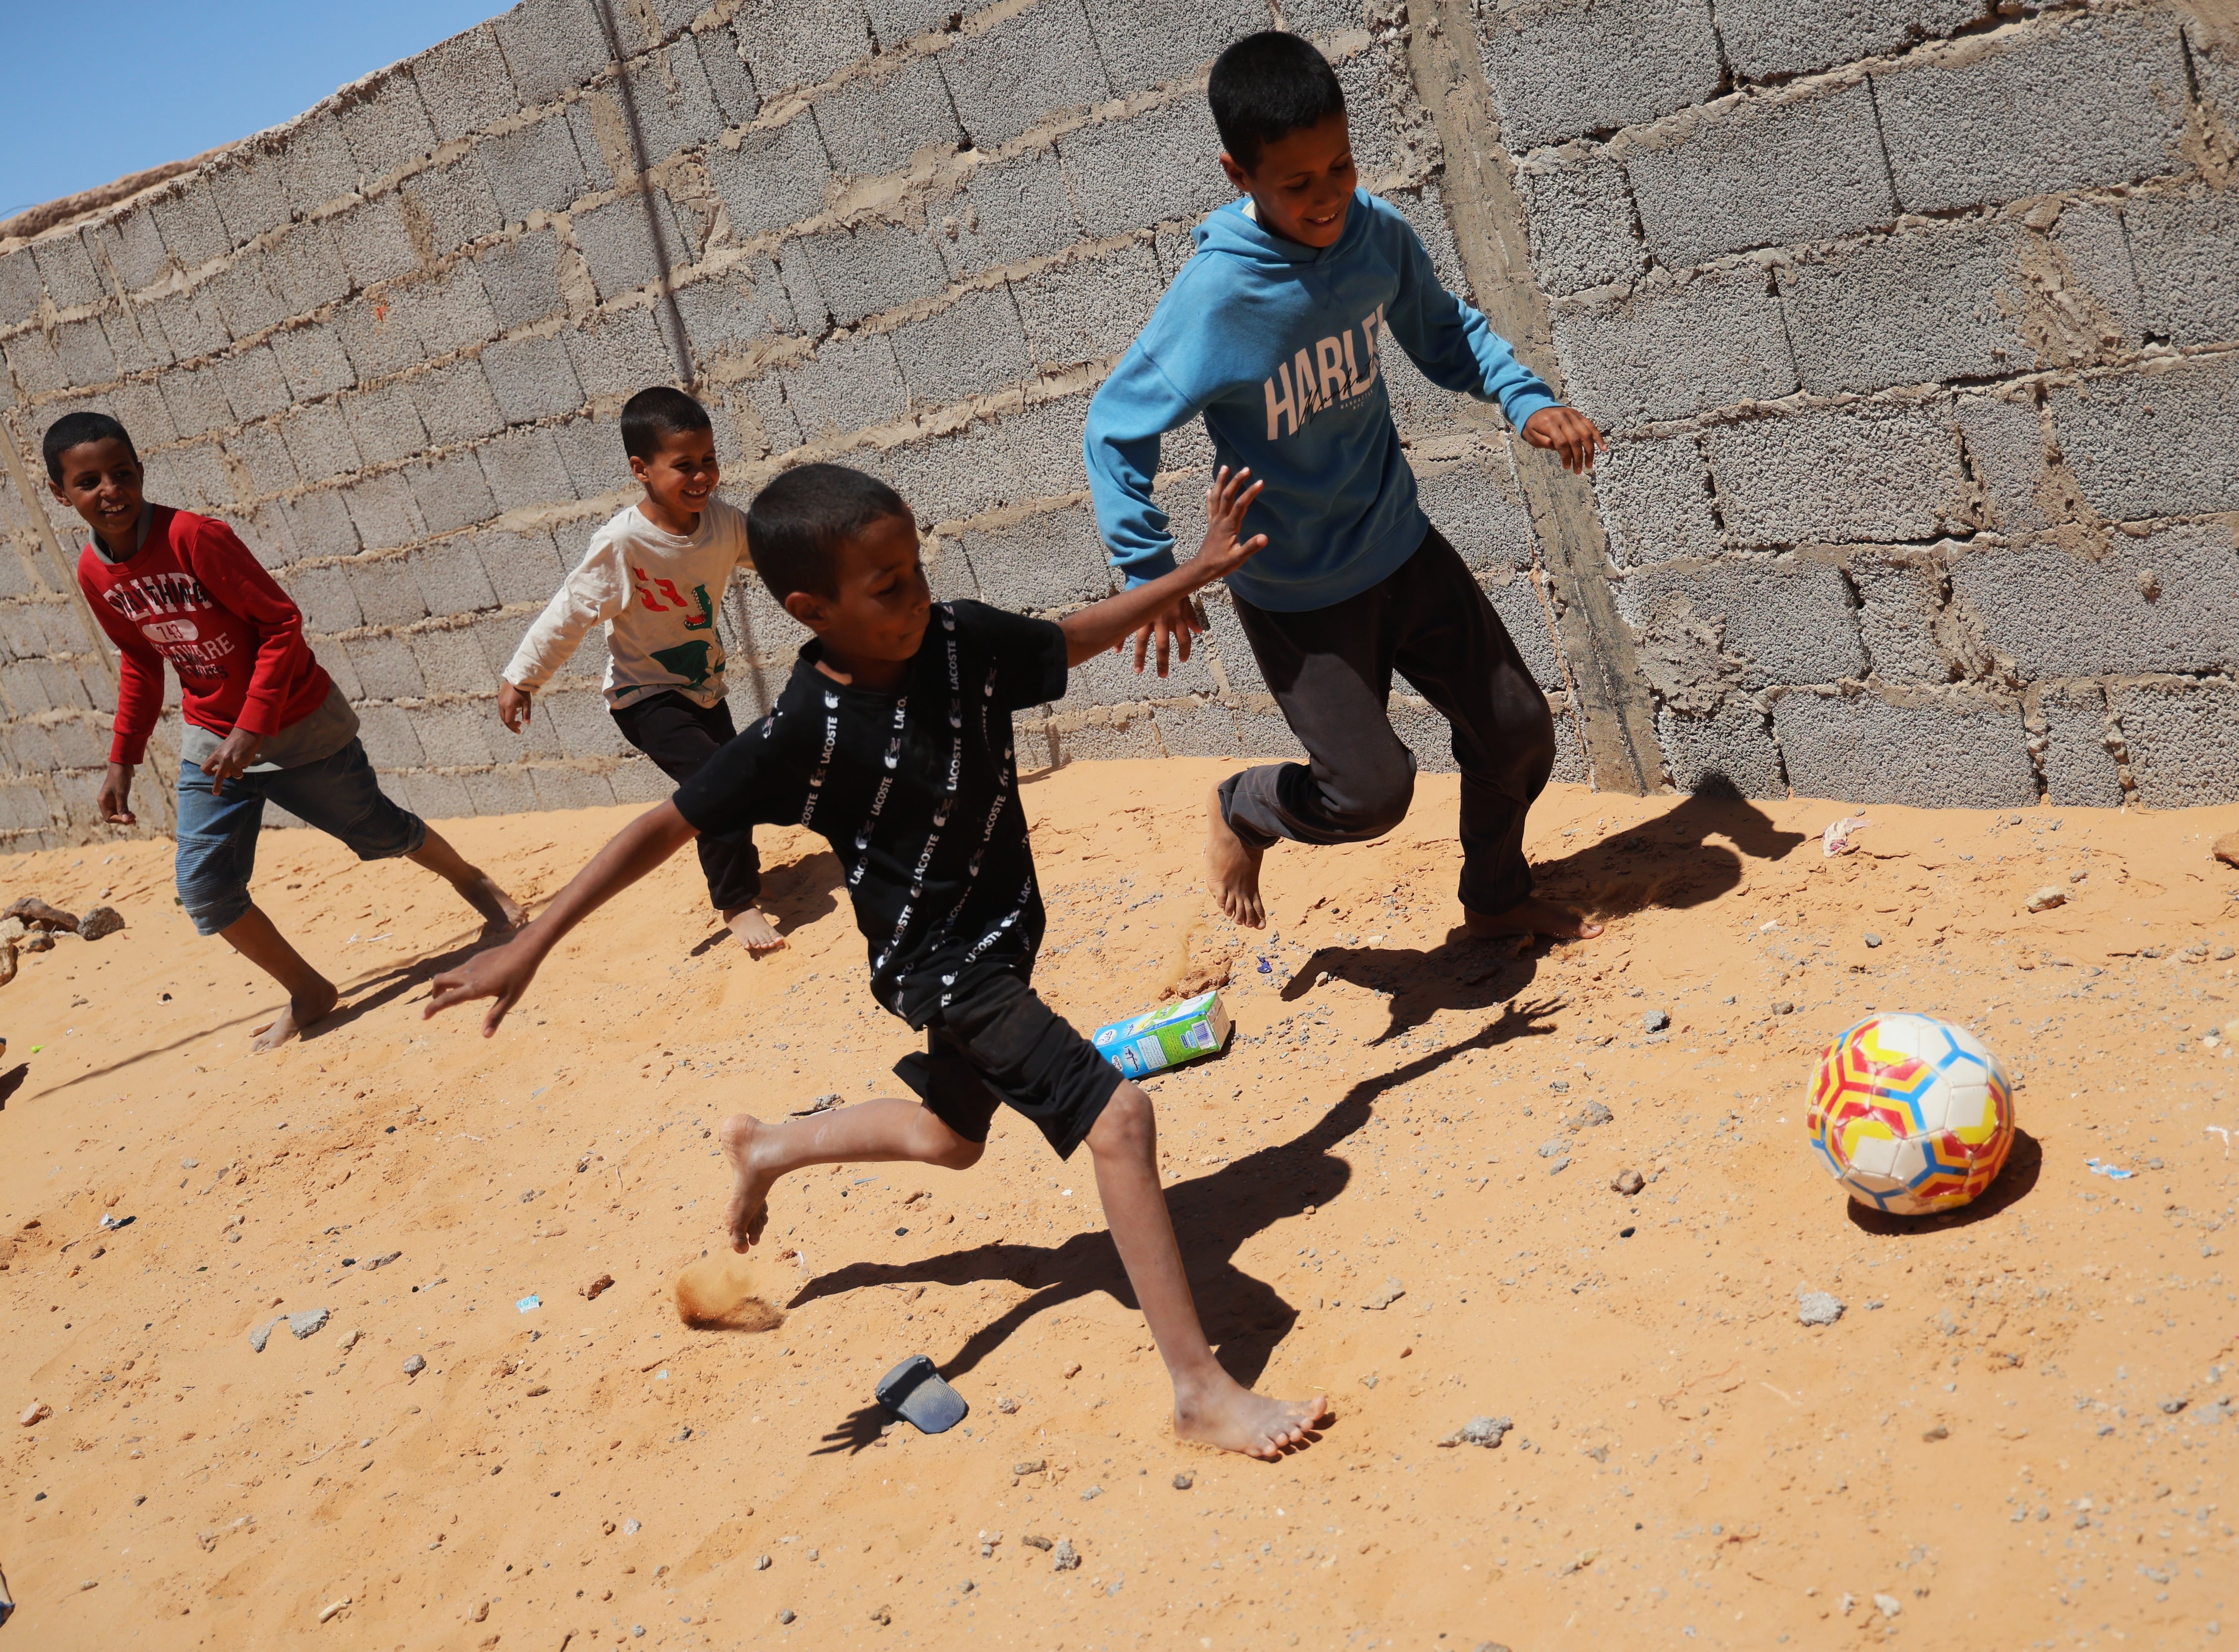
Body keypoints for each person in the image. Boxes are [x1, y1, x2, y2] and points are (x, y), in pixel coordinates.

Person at [426, 460, 1331, 1459]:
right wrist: (532, 942)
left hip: (1002, 936)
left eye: (915, 567)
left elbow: (1073, 638)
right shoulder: (800, 733)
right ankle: (1197, 1389)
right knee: (1117, 1116)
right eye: (887, 584)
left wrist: (1192, 571)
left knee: (952, 1136)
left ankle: (767, 1147)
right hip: (940, 964)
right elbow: (661, 825)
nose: (917, 594)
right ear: (812, 609)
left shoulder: (961, 639)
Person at [1084, 30, 1610, 941]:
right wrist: (1146, 572)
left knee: (1519, 730)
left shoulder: (1376, 234)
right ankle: (1246, 806)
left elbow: (1446, 333)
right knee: (1370, 795)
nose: (1329, 197)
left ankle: (1494, 898)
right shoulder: (1218, 298)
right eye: (1298, 184)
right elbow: (1112, 428)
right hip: (1296, 591)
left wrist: (1525, 402)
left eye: (1341, 166)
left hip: (1398, 541)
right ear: (1237, 175)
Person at [46, 411, 526, 1052]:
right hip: (213, 738)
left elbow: (279, 624)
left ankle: (473, 881)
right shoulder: (94, 571)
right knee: (205, 889)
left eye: (122, 472)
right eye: (88, 481)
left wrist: (255, 726)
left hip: (296, 720)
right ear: (60, 493)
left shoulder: (194, 537)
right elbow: (140, 660)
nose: (110, 490)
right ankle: (309, 991)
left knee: (378, 829)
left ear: (141, 470)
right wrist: (122, 760)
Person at [497, 386, 783, 954]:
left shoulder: (723, 524)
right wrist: (521, 676)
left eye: (708, 461)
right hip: (645, 696)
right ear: (641, 470)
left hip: (703, 688)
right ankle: (736, 903)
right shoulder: (624, 543)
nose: (701, 477)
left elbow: (779, 557)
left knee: (733, 783)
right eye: (683, 466)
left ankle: (739, 867)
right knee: (717, 785)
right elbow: (569, 613)